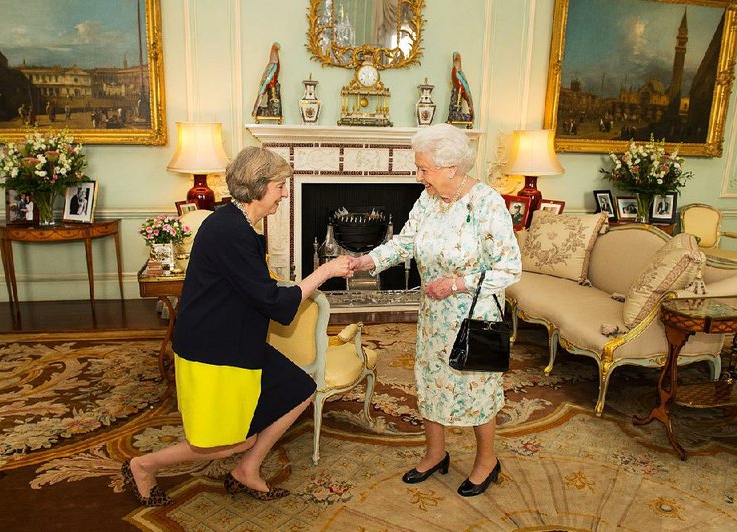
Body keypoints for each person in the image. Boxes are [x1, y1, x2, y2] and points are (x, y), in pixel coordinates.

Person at [122, 147, 354, 506]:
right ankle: (142, 465)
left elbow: (257, 288)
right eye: (280, 186)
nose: (285, 193)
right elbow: (275, 304)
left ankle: (247, 470)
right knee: (229, 440)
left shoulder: (238, 222)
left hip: (237, 337)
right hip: (213, 348)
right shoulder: (230, 230)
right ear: (259, 187)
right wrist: (324, 271)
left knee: (300, 388)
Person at [350, 123, 521, 497]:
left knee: (475, 386)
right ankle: (435, 453)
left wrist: (455, 284)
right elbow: (405, 243)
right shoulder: (427, 200)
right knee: (431, 382)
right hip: (434, 316)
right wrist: (366, 261)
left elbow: (508, 268)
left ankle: (486, 461)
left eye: (424, 169)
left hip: (474, 316)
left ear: (451, 169)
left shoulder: (487, 204)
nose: (418, 176)